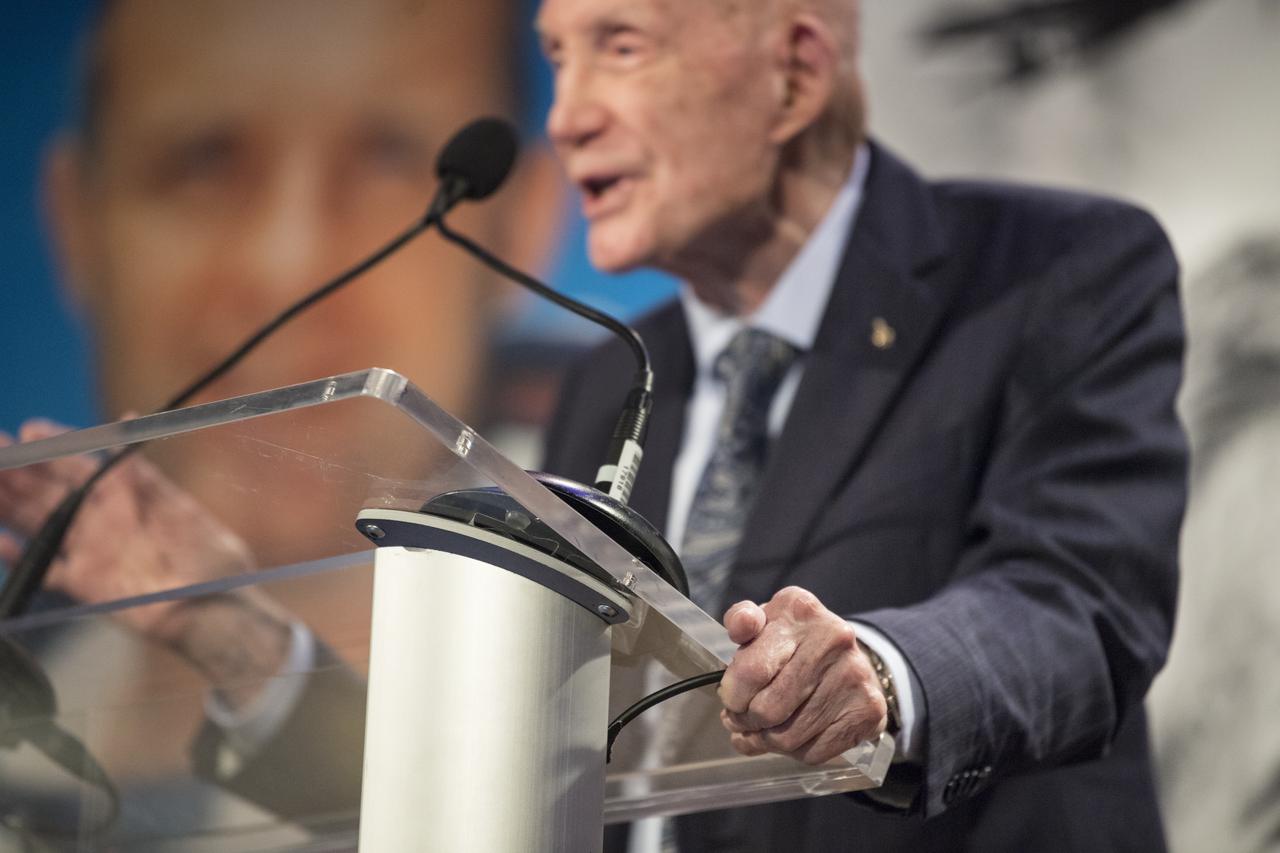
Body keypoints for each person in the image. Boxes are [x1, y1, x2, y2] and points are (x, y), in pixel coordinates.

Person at [535, 0, 1186, 849]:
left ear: (794, 77)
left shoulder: (1056, 274)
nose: (565, 118)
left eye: (620, 47)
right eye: (555, 58)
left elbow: (1078, 602)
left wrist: (883, 672)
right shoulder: (604, 381)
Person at [0, 0, 564, 836]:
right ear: (72, 220)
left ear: (526, 222)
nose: (285, 265)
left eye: (386, 159)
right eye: (201, 162)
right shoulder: (24, 682)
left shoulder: (622, 618)